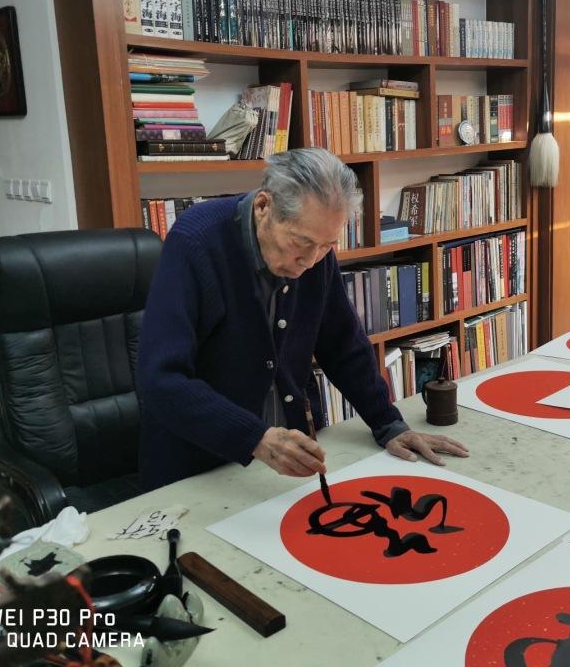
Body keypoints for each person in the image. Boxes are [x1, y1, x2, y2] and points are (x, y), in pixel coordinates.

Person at [137, 147, 468, 489]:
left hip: (284, 462)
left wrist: (388, 424)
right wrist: (255, 438)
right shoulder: (195, 241)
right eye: (301, 243)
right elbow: (159, 379)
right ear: (264, 207)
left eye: (327, 246)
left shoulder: (314, 249)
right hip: (199, 468)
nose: (310, 261)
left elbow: (343, 344)